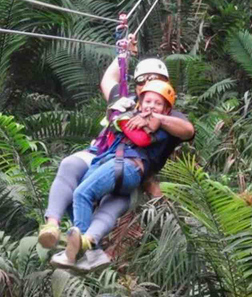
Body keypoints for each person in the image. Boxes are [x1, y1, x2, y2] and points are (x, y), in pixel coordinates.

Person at [38, 41, 195, 269]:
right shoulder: (126, 101)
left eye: (156, 81)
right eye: (144, 81)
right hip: (103, 156)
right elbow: (108, 80)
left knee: (102, 198)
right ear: (138, 84)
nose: (149, 87)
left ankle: (85, 243)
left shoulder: (168, 112)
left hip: (132, 169)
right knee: (71, 167)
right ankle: (61, 231)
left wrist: (159, 119)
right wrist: (124, 54)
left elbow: (187, 130)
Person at [57, 79, 178, 265]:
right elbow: (108, 81)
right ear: (140, 102)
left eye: (158, 103)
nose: (152, 106)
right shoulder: (133, 114)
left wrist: (124, 118)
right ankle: (94, 253)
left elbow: (143, 138)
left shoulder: (162, 126)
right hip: (111, 163)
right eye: (148, 101)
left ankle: (79, 244)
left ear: (166, 110)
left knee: (82, 193)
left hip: (128, 166)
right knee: (73, 198)